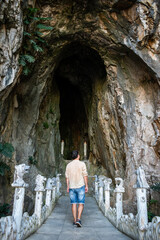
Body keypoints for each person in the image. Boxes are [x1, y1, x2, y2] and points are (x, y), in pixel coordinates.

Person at [65, 150, 88, 227]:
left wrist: (68, 186)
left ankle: (75, 220)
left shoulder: (68, 165)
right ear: (78, 156)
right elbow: (85, 175)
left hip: (72, 186)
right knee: (81, 203)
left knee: (73, 204)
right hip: (80, 186)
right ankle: (78, 219)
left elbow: (67, 177)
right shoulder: (82, 164)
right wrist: (86, 185)